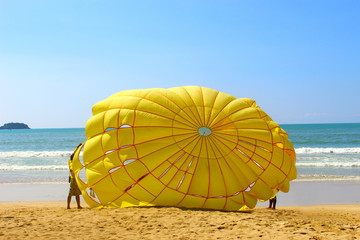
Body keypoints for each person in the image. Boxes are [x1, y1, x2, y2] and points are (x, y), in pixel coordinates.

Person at [67, 145, 83, 209]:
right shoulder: (70, 162)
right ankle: (68, 206)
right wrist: (78, 147)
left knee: (77, 193)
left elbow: (74, 153)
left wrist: (78, 147)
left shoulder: (73, 162)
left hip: (75, 178)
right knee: (71, 193)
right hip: (73, 179)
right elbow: (71, 170)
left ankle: (78, 205)